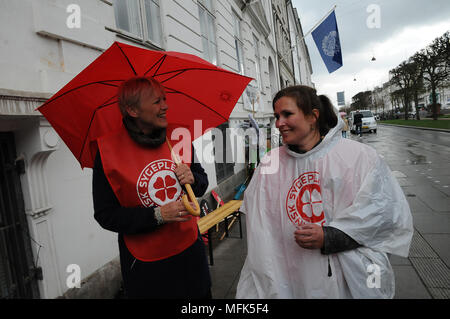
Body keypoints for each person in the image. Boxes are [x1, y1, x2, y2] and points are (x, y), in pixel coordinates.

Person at [236, 85, 413, 298]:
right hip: (289, 275)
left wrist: (329, 236)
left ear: (313, 116)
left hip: (345, 278)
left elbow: (384, 216)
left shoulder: (358, 157)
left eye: (287, 114)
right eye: (276, 116)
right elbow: (260, 228)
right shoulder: (270, 164)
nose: (279, 123)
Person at [92, 76, 211, 298]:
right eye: (157, 101)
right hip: (146, 266)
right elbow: (105, 215)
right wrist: (157, 215)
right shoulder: (107, 152)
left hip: (190, 252)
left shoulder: (178, 136)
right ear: (133, 110)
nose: (165, 106)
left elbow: (202, 182)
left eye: (165, 99)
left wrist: (192, 178)